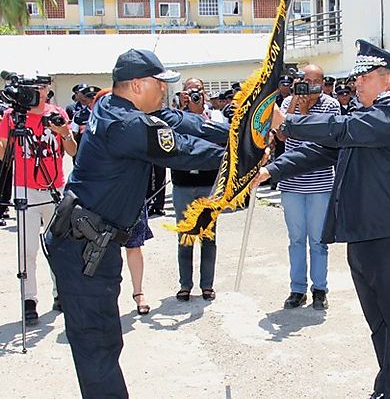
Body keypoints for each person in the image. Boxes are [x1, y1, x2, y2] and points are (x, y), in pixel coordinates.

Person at [253, 40, 390, 399]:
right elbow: (319, 152)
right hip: (368, 237)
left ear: (389, 80)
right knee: (380, 323)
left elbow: (339, 129)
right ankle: (387, 387)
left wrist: (288, 123)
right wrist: (271, 171)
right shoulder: (368, 120)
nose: (356, 83)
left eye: (364, 76)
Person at [44, 48, 225, 398]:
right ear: (139, 85)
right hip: (83, 248)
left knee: (104, 341)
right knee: (97, 345)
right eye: (160, 84)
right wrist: (237, 156)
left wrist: (233, 131)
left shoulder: (115, 106)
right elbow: (180, 148)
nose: (165, 91)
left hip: (90, 242)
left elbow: (178, 122)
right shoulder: (124, 124)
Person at [0, 79, 77, 323]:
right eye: (34, 86)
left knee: (59, 246)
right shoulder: (13, 116)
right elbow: (4, 154)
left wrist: (64, 133)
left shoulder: (57, 113)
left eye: (43, 86)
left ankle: (61, 293)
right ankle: (29, 299)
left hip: (54, 186)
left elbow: (73, 150)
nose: (39, 91)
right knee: (28, 248)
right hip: (25, 188)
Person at [275, 63, 340, 310]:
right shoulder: (287, 103)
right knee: (296, 239)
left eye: (314, 82)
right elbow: (282, 135)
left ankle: (320, 288)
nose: (309, 86)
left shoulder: (331, 105)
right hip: (292, 182)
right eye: (305, 81)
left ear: (322, 84)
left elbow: (324, 137)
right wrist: (294, 105)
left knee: (318, 240)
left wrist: (306, 113)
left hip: (320, 183)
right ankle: (297, 289)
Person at [172, 78, 221, 302]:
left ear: (205, 93)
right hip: (182, 183)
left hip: (208, 183)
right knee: (185, 236)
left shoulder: (215, 117)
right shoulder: (174, 118)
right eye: (189, 91)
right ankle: (185, 285)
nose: (194, 95)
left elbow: (220, 141)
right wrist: (183, 111)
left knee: (208, 236)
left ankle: (207, 285)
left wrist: (200, 113)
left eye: (198, 90)